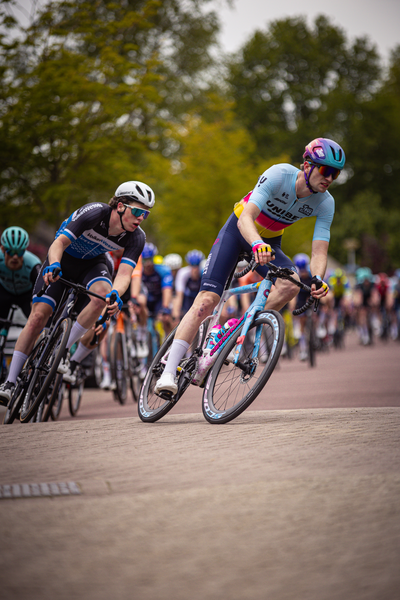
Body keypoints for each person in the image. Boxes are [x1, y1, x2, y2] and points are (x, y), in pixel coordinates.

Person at [155, 137, 346, 394]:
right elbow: (246, 217)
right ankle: (167, 374)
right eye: (326, 170)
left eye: (336, 174)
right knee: (207, 300)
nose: (330, 178)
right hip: (237, 232)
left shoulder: (325, 203)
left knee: (290, 285)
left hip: (269, 242)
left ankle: (234, 329)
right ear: (307, 165)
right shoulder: (279, 174)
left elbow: (319, 250)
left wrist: (317, 278)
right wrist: (256, 244)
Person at [0, 180, 155, 406]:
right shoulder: (94, 213)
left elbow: (123, 276)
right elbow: (59, 243)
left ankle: (62, 351)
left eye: (146, 214)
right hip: (63, 259)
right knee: (37, 318)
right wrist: (53, 264)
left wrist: (115, 294)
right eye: (138, 211)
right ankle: (10, 382)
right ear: (120, 206)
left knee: (102, 295)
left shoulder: (136, 237)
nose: (141, 218)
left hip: (93, 264)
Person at [0, 227, 42, 321]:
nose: (15, 257)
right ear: (3, 249)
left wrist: (36, 302)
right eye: (10, 252)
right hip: (4, 291)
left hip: (26, 295)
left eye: (19, 252)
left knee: (36, 320)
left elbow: (41, 287)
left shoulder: (33, 264)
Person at [173, 250, 205, 320]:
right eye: (192, 266)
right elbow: (179, 296)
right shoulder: (183, 273)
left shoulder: (204, 273)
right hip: (187, 299)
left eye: (197, 266)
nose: (195, 269)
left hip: (201, 298)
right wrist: (176, 315)